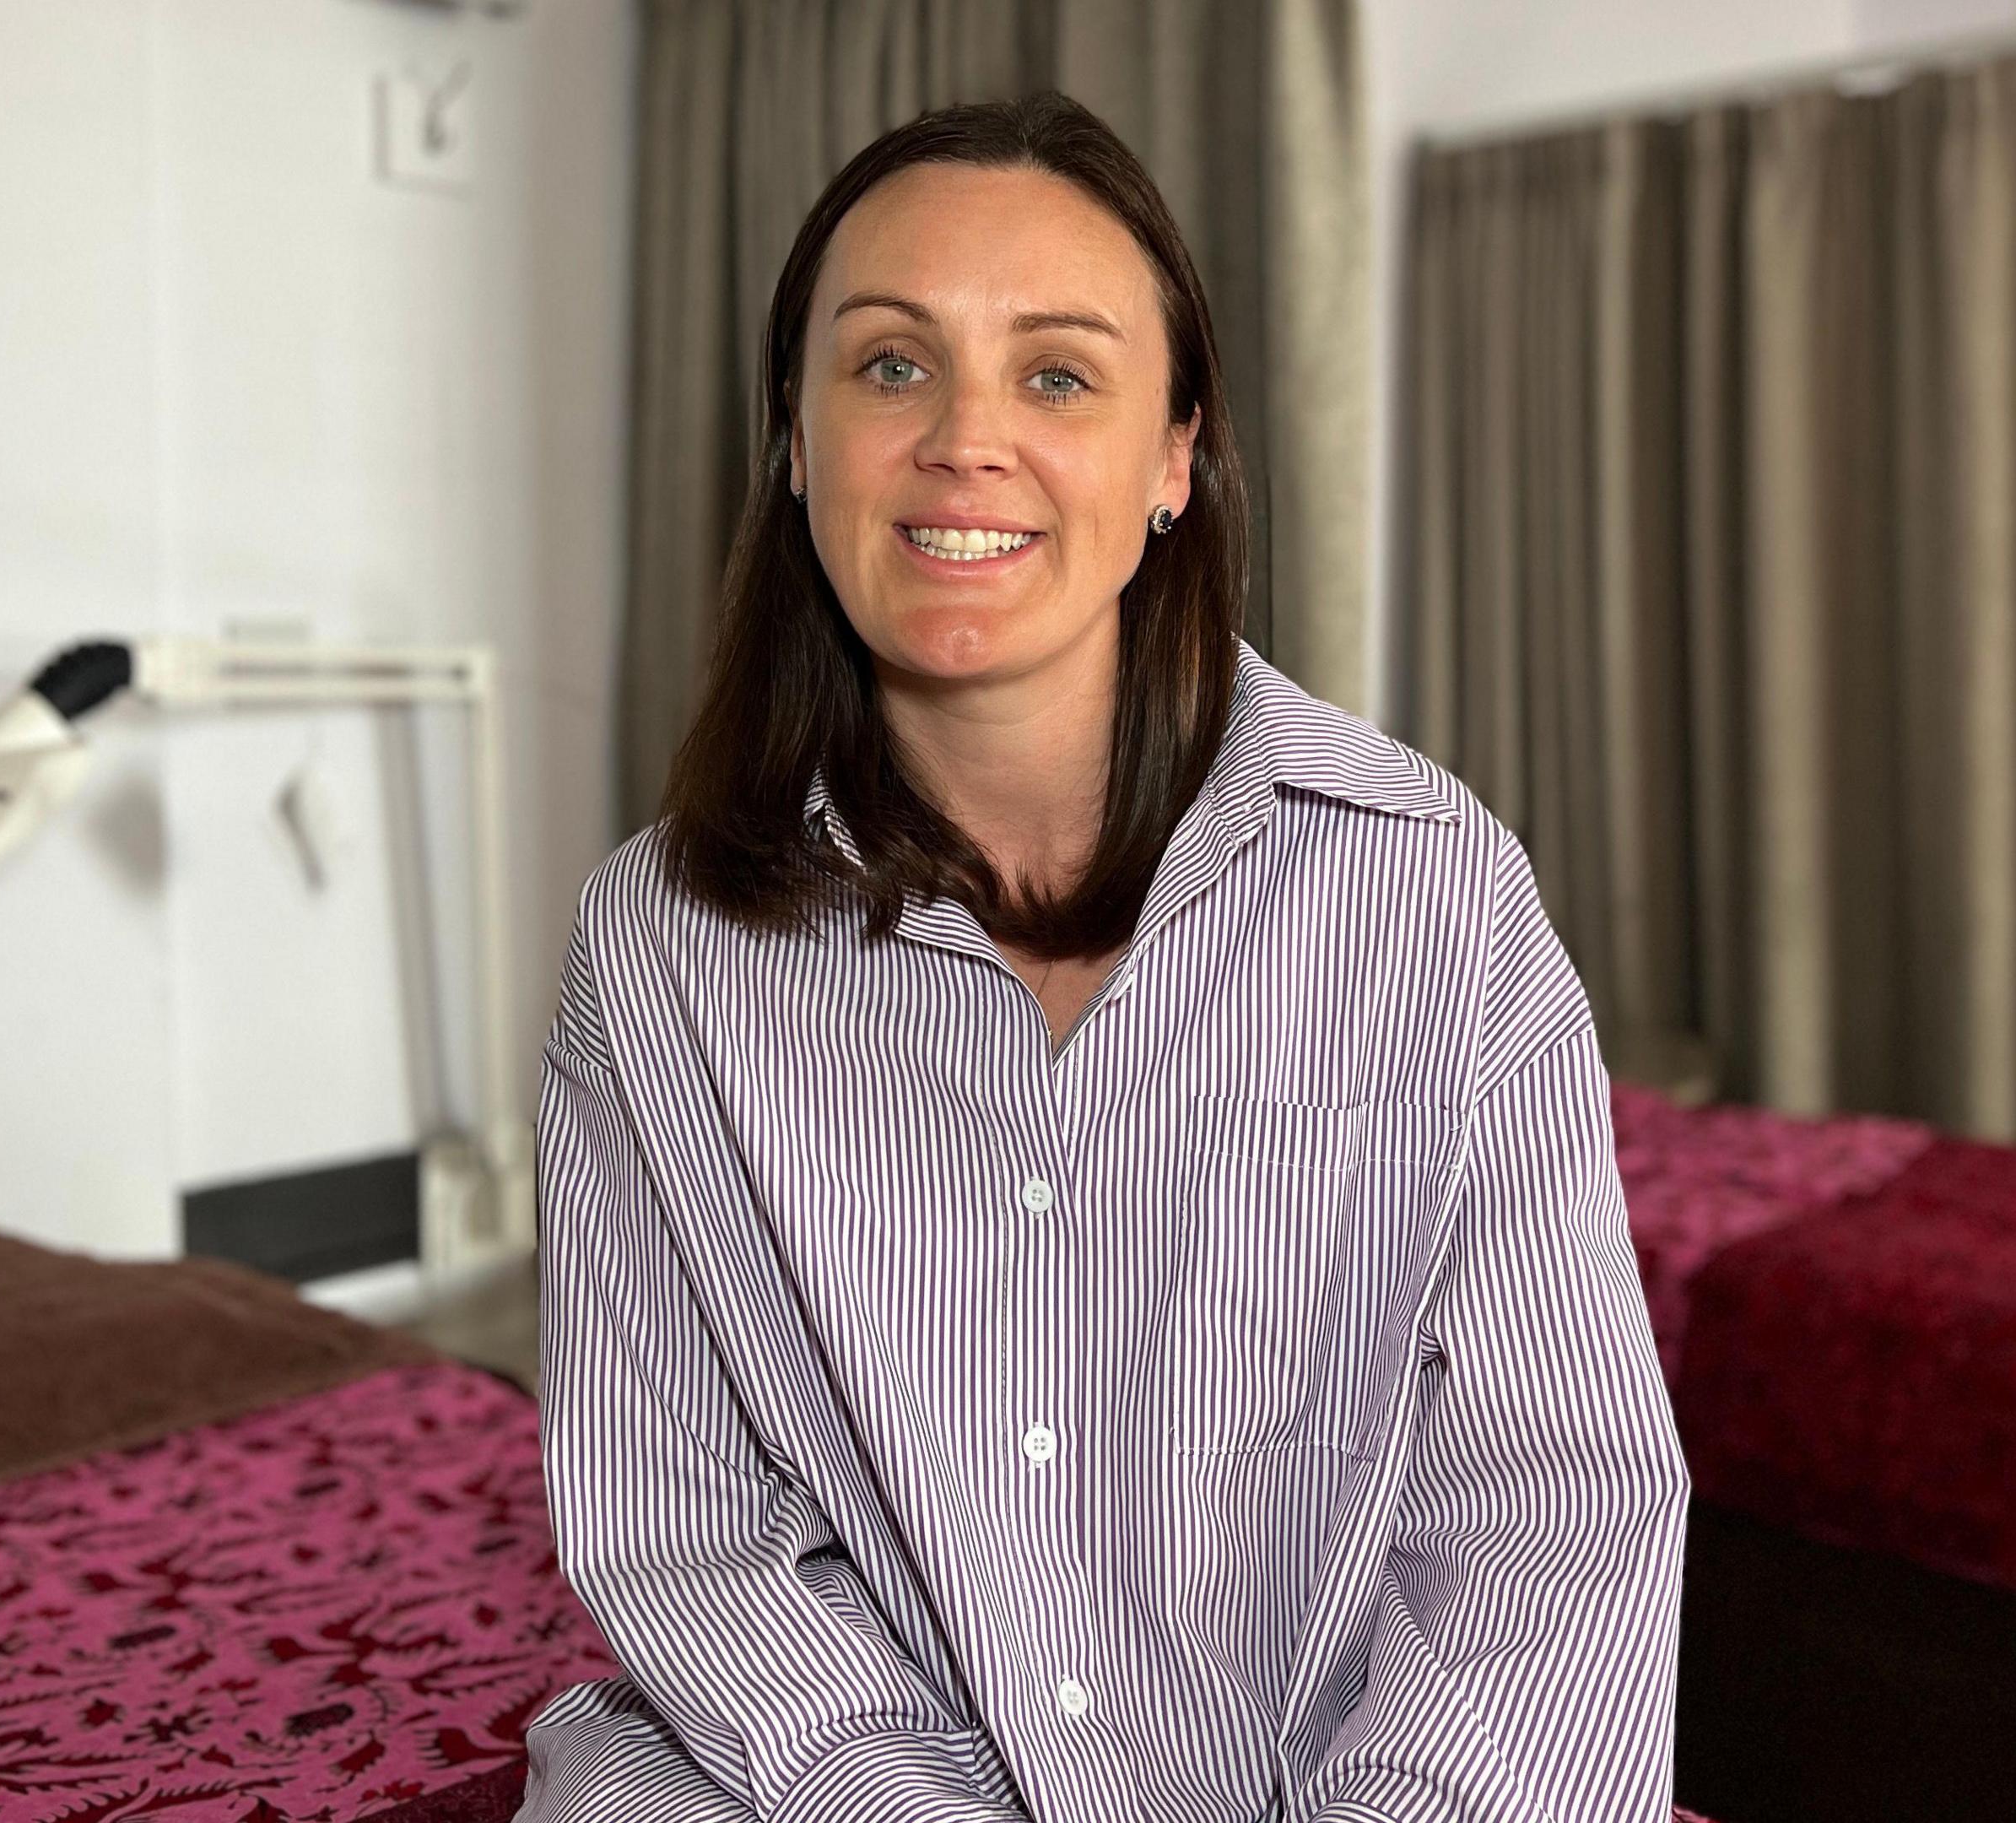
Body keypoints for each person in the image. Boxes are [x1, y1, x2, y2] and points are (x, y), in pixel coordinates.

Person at [520, 92, 1689, 1823]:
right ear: (793, 441)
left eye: (1056, 374)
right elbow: (685, 1533)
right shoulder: (657, 951)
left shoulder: (1427, 893)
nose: (963, 441)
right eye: (891, 366)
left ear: (1171, 460)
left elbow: (1548, 1508)